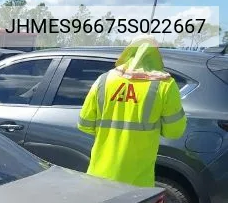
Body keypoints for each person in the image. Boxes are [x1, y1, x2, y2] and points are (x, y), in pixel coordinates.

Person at [77, 36, 187, 188]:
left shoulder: (104, 80)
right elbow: (174, 132)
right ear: (156, 55)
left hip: (99, 176)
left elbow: (84, 124)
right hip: (137, 182)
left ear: (128, 52)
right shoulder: (165, 85)